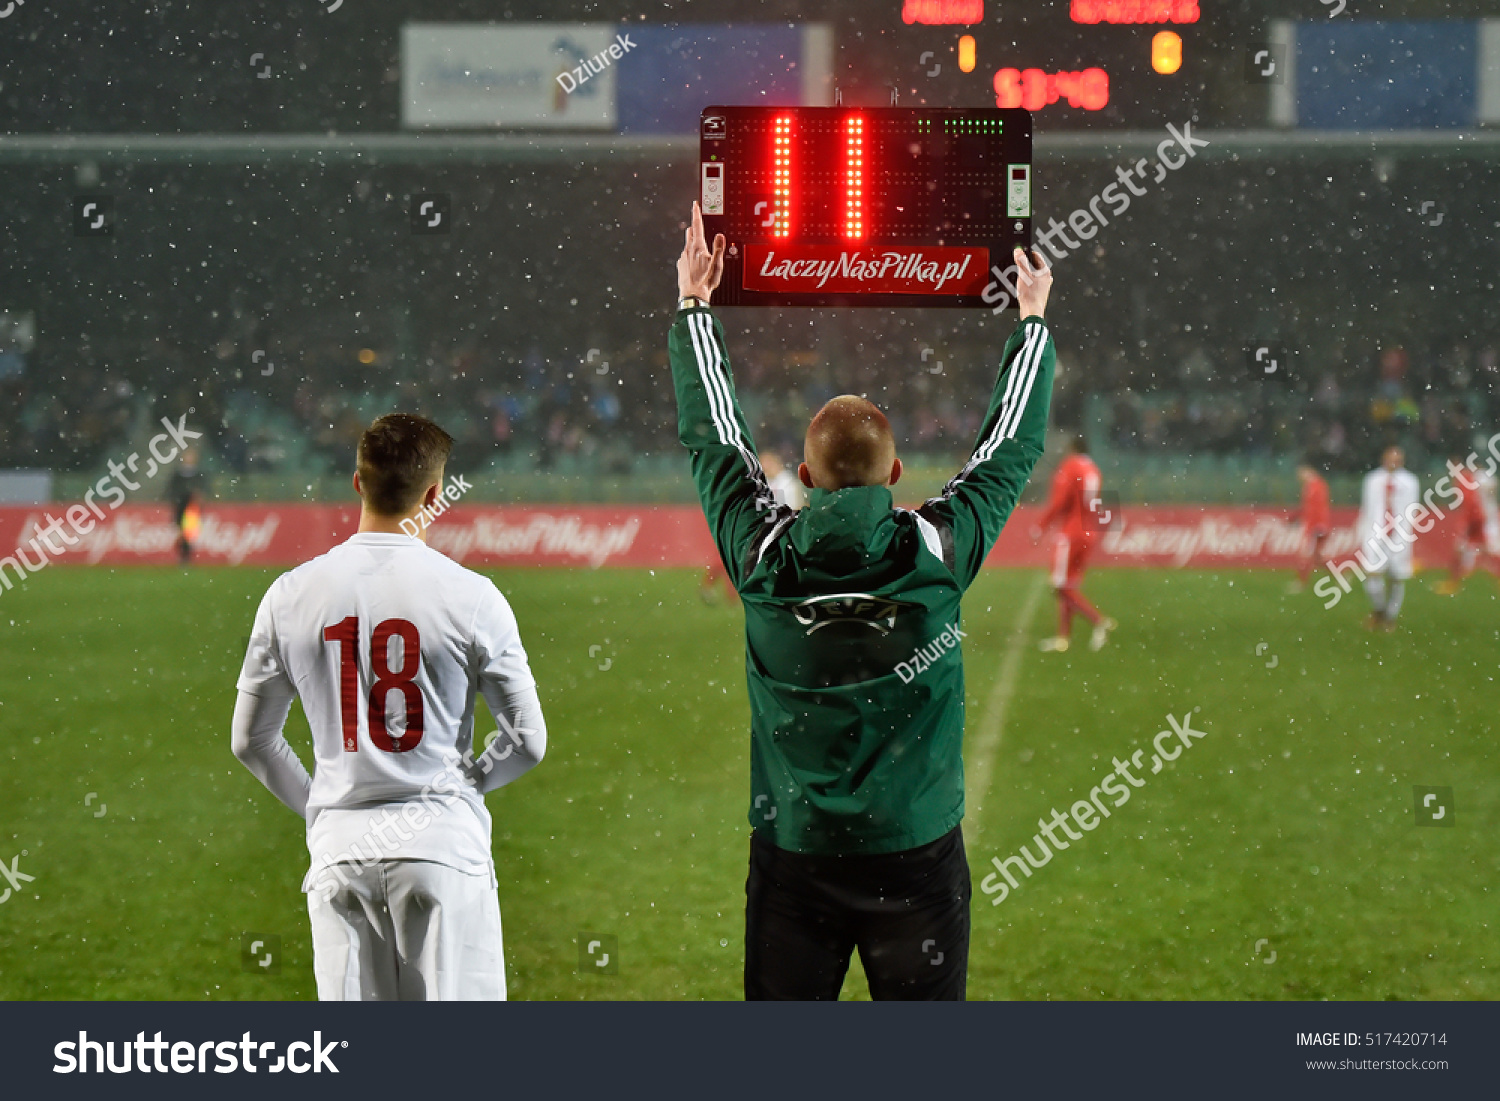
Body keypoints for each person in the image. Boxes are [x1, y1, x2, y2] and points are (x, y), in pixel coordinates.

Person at [669, 202, 1055, 1000]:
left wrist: (695, 307)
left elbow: (715, 437)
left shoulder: (762, 556)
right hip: (915, 855)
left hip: (795, 855)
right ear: (895, 473)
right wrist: (1031, 321)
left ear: (803, 479)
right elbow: (1007, 450)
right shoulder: (935, 553)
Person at [231, 413, 546, 1000]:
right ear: (434, 495)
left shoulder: (289, 595)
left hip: (340, 857)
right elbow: (527, 739)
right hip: (441, 851)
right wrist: (464, 783)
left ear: (357, 482)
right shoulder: (472, 596)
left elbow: (252, 741)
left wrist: (324, 808)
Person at [1032, 434, 1115, 652]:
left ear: (1071, 448)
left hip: (1072, 532)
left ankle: (1099, 621)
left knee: (1059, 585)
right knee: (1069, 584)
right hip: (1090, 531)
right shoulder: (1093, 469)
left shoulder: (1070, 466)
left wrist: (1041, 525)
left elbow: (1060, 501)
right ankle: (1063, 638)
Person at [699, 451, 803, 603]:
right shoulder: (773, 483)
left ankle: (728, 592)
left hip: (778, 530)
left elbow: (793, 505)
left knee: (733, 557)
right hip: (769, 528)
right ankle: (730, 593)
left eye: (766, 463)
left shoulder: (786, 483)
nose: (764, 467)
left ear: (776, 463)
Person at [1356, 445, 1420, 631]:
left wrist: (1406, 532)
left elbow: (1413, 509)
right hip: (1376, 533)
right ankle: (1379, 610)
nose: (1393, 462)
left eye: (1397, 459)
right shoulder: (1373, 480)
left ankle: (1390, 617)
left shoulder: (1410, 481)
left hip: (1399, 535)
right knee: (1372, 575)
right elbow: (1367, 506)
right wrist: (1364, 530)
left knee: (1396, 577)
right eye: (1390, 458)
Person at [1434, 456, 1499, 595]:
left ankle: (1453, 583)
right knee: (1488, 550)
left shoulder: (1467, 479)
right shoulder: (1484, 476)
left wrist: (1468, 522)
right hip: (1486, 518)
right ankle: (1454, 581)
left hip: (1478, 520)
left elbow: (1471, 502)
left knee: (1463, 549)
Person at [1287, 459, 1331, 594]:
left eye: (1301, 473)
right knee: (1317, 557)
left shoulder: (1317, 486)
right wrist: (1296, 516)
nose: (1300, 477)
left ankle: (1301, 583)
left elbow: (1317, 508)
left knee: (1305, 555)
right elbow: (1307, 508)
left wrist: (1318, 524)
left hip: (1316, 526)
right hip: (1314, 525)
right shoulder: (1311, 486)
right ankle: (1341, 573)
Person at [166, 446, 205, 564]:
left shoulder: (198, 474)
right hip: (180, 506)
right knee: (181, 532)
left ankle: (186, 557)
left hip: (192, 508)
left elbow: (202, 490)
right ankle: (183, 556)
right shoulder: (178, 474)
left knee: (189, 532)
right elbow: (172, 490)